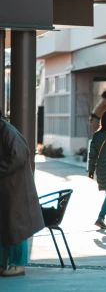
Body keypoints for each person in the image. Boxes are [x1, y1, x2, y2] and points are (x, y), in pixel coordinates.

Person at [0, 113, 45, 278]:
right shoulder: (4, 130)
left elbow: (18, 157)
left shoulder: (8, 131)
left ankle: (18, 264)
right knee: (5, 226)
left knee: (17, 227)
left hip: (15, 188)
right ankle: (3, 262)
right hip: (7, 188)